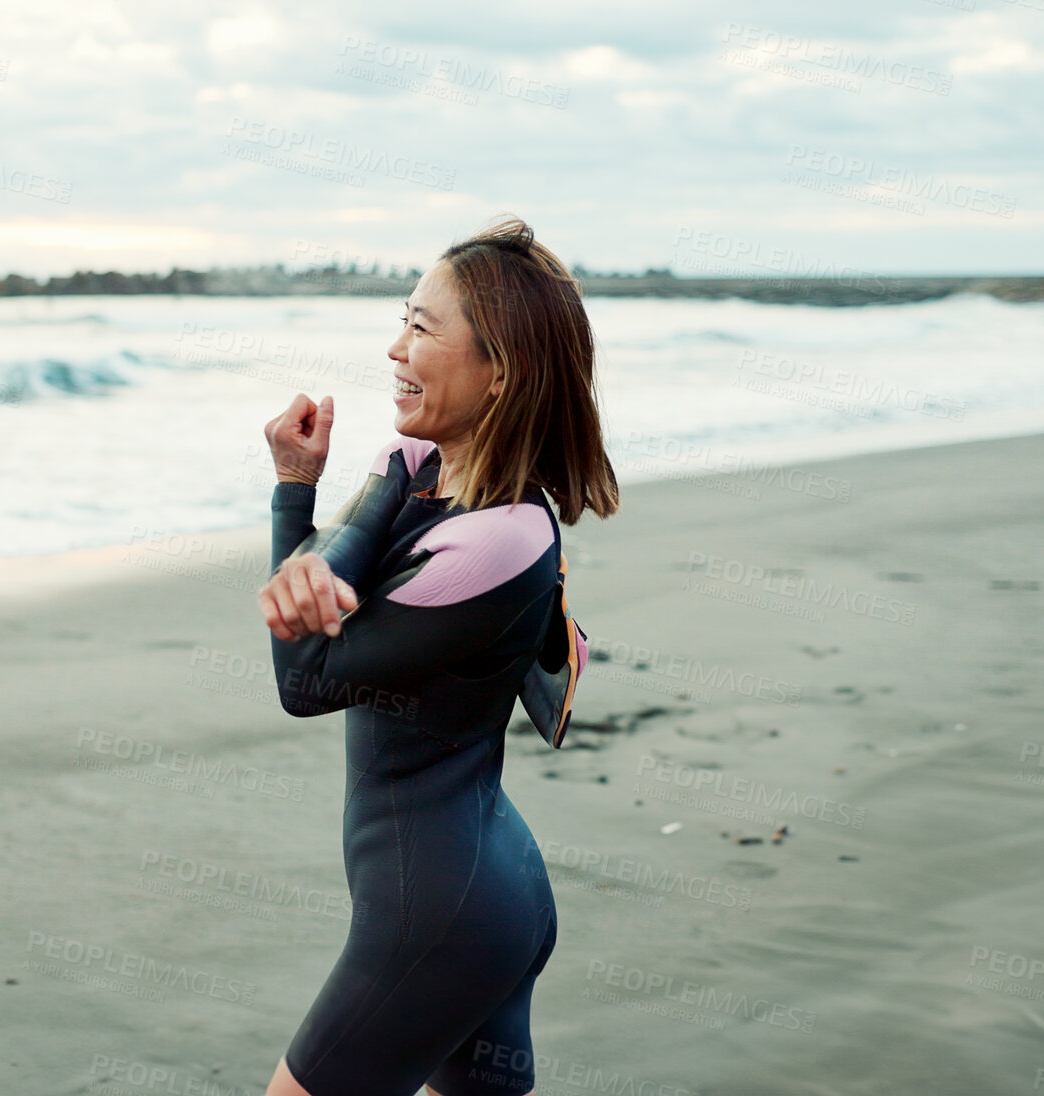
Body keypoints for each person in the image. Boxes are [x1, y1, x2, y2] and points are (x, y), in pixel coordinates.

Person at [256, 214, 620, 1096]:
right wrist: (304, 528)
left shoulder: (499, 540)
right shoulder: (416, 462)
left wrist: (291, 504)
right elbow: (326, 579)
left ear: (503, 370)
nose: (395, 347)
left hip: (443, 917)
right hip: (479, 887)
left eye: (422, 328)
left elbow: (302, 680)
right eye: (403, 319)